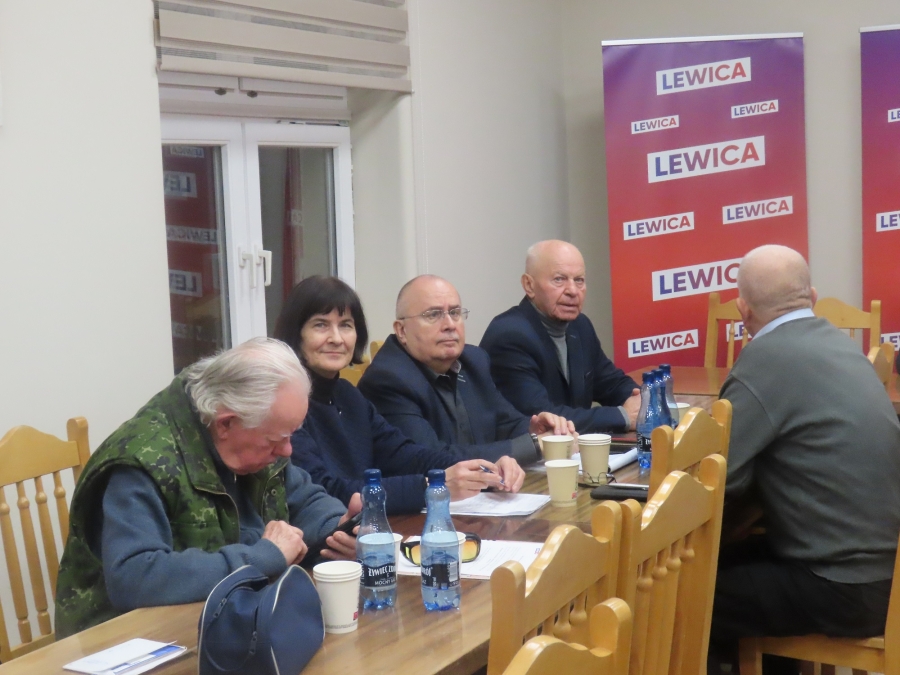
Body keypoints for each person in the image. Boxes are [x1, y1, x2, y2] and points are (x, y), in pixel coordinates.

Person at [55, 338, 359, 638]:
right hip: (121, 643)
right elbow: (132, 577)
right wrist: (259, 559)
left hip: (222, 624)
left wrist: (340, 527)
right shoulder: (141, 463)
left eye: (290, 436)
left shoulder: (252, 433)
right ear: (225, 424)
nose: (287, 450)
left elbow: (304, 499)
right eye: (276, 439)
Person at [710, 245, 900, 672]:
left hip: (846, 587)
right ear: (812, 297)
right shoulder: (840, 343)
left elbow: (714, 480)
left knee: (684, 593)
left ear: (743, 310)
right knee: (735, 566)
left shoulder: (763, 360)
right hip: (882, 574)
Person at [274, 276, 526, 516]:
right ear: (296, 333)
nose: (336, 339)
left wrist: (482, 468)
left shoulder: (347, 395)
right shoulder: (284, 404)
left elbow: (404, 454)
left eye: (346, 325)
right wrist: (434, 486)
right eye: (320, 325)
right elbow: (327, 490)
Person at [358, 275, 574, 465]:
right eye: (433, 315)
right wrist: (535, 445)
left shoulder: (474, 360)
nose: (450, 324)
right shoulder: (387, 379)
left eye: (455, 313)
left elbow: (504, 422)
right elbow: (431, 458)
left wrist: (534, 430)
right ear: (401, 331)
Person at [480, 239, 640, 433]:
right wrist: (623, 416)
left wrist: (641, 400)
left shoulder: (580, 326)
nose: (572, 291)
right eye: (559, 279)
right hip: (528, 451)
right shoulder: (509, 336)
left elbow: (610, 382)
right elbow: (544, 417)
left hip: (571, 447)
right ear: (529, 285)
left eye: (579, 280)